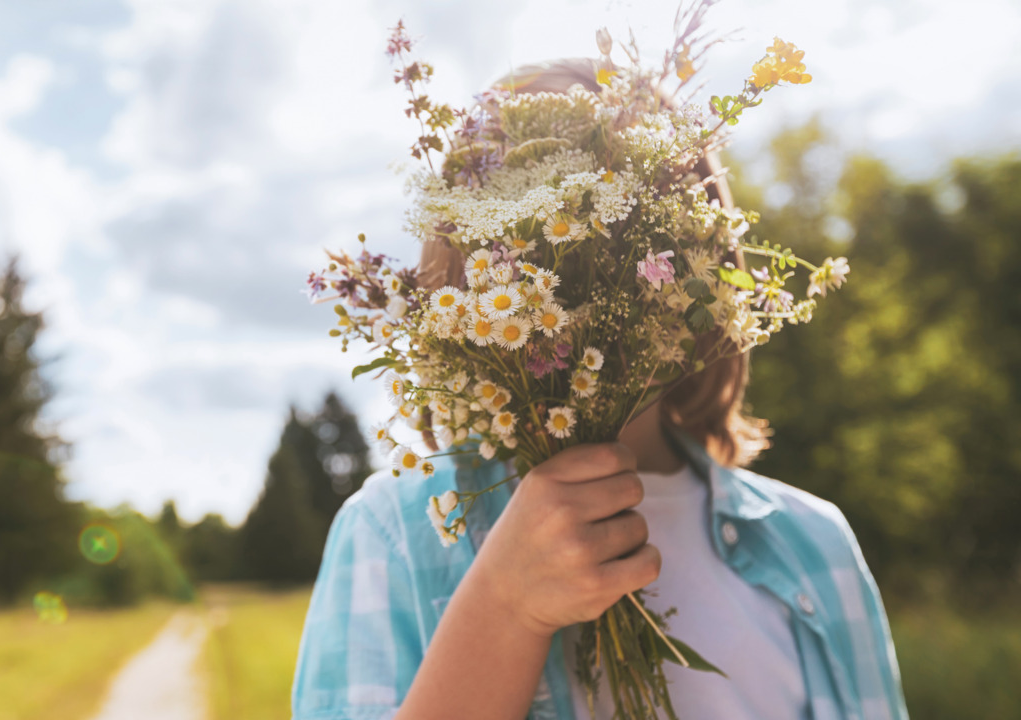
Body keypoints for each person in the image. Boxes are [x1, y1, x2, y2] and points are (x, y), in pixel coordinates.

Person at [290, 60, 908, 720]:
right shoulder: (394, 533)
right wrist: (505, 606)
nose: (568, 275)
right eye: (522, 238)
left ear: (702, 268)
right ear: (463, 273)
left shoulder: (815, 546)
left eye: (617, 229)